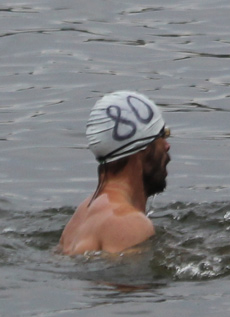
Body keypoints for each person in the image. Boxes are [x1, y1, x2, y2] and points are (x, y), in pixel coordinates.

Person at [58, 91, 172, 255]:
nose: (167, 145)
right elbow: (125, 279)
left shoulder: (83, 212)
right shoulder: (129, 223)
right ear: (142, 148)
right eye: (162, 134)